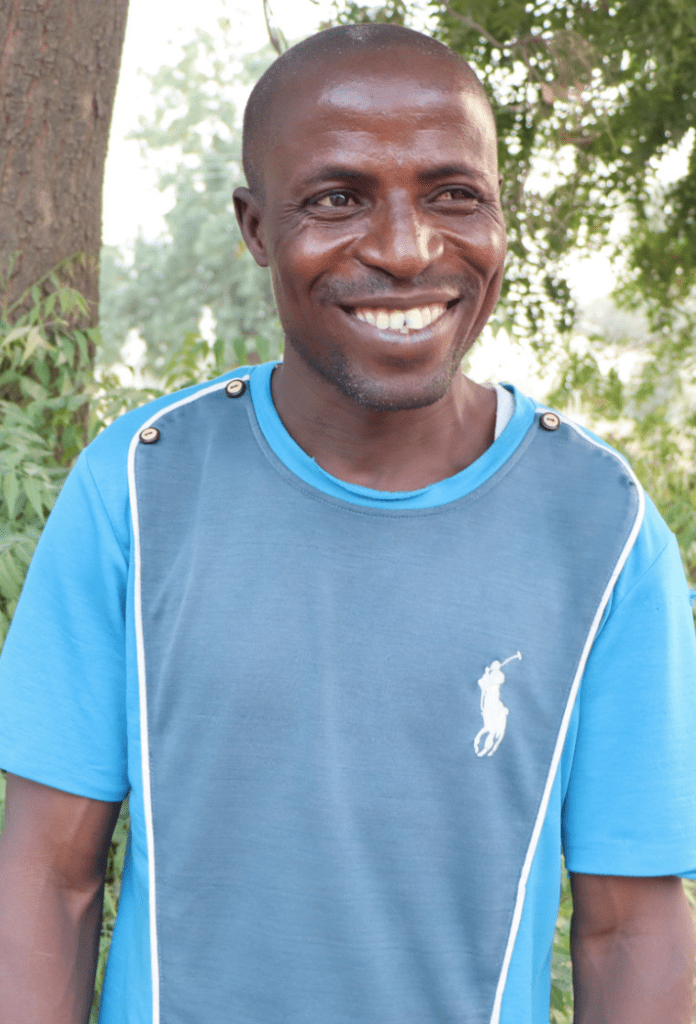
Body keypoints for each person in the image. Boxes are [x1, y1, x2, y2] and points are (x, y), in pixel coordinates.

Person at [0, 22, 694, 1024]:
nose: (407, 248)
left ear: (502, 214)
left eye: (455, 194)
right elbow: (48, 875)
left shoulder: (604, 528)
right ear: (253, 227)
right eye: (337, 199)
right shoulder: (142, 488)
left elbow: (630, 926)